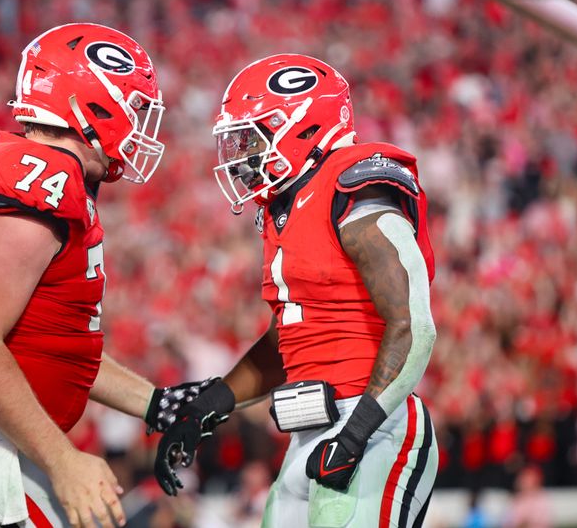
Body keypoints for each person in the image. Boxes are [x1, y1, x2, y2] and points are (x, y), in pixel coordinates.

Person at [0, 23, 214, 528]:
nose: (139, 127)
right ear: (92, 105)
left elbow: (50, 346)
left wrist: (153, 402)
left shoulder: (40, 172)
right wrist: (63, 460)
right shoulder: (38, 182)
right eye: (132, 109)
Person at [155, 54, 439, 527]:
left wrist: (356, 433)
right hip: (309, 433)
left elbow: (414, 325)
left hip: (375, 425)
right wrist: (205, 409)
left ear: (304, 128)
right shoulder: (281, 210)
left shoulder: (357, 187)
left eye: (254, 136)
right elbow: (286, 341)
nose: (242, 152)